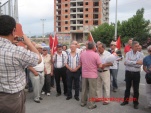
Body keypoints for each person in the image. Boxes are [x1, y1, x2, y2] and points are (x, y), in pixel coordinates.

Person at [0, 15, 41, 113]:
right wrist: (28, 43)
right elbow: (38, 59)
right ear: (13, 30)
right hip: (12, 99)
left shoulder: (14, 49)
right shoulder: (17, 51)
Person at [121, 41, 144, 109]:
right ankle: (126, 101)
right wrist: (136, 62)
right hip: (128, 73)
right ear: (133, 47)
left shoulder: (141, 54)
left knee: (136, 89)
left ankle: (135, 103)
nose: (138, 47)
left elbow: (139, 64)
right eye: (136, 46)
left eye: (138, 46)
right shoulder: (128, 53)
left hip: (136, 73)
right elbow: (126, 62)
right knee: (127, 88)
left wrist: (131, 62)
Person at [80, 42, 102, 109]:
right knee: (92, 90)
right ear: (93, 47)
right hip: (92, 75)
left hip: (84, 74)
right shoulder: (96, 55)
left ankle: (83, 102)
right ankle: (91, 104)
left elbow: (80, 63)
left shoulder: (82, 54)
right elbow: (100, 65)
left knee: (84, 89)